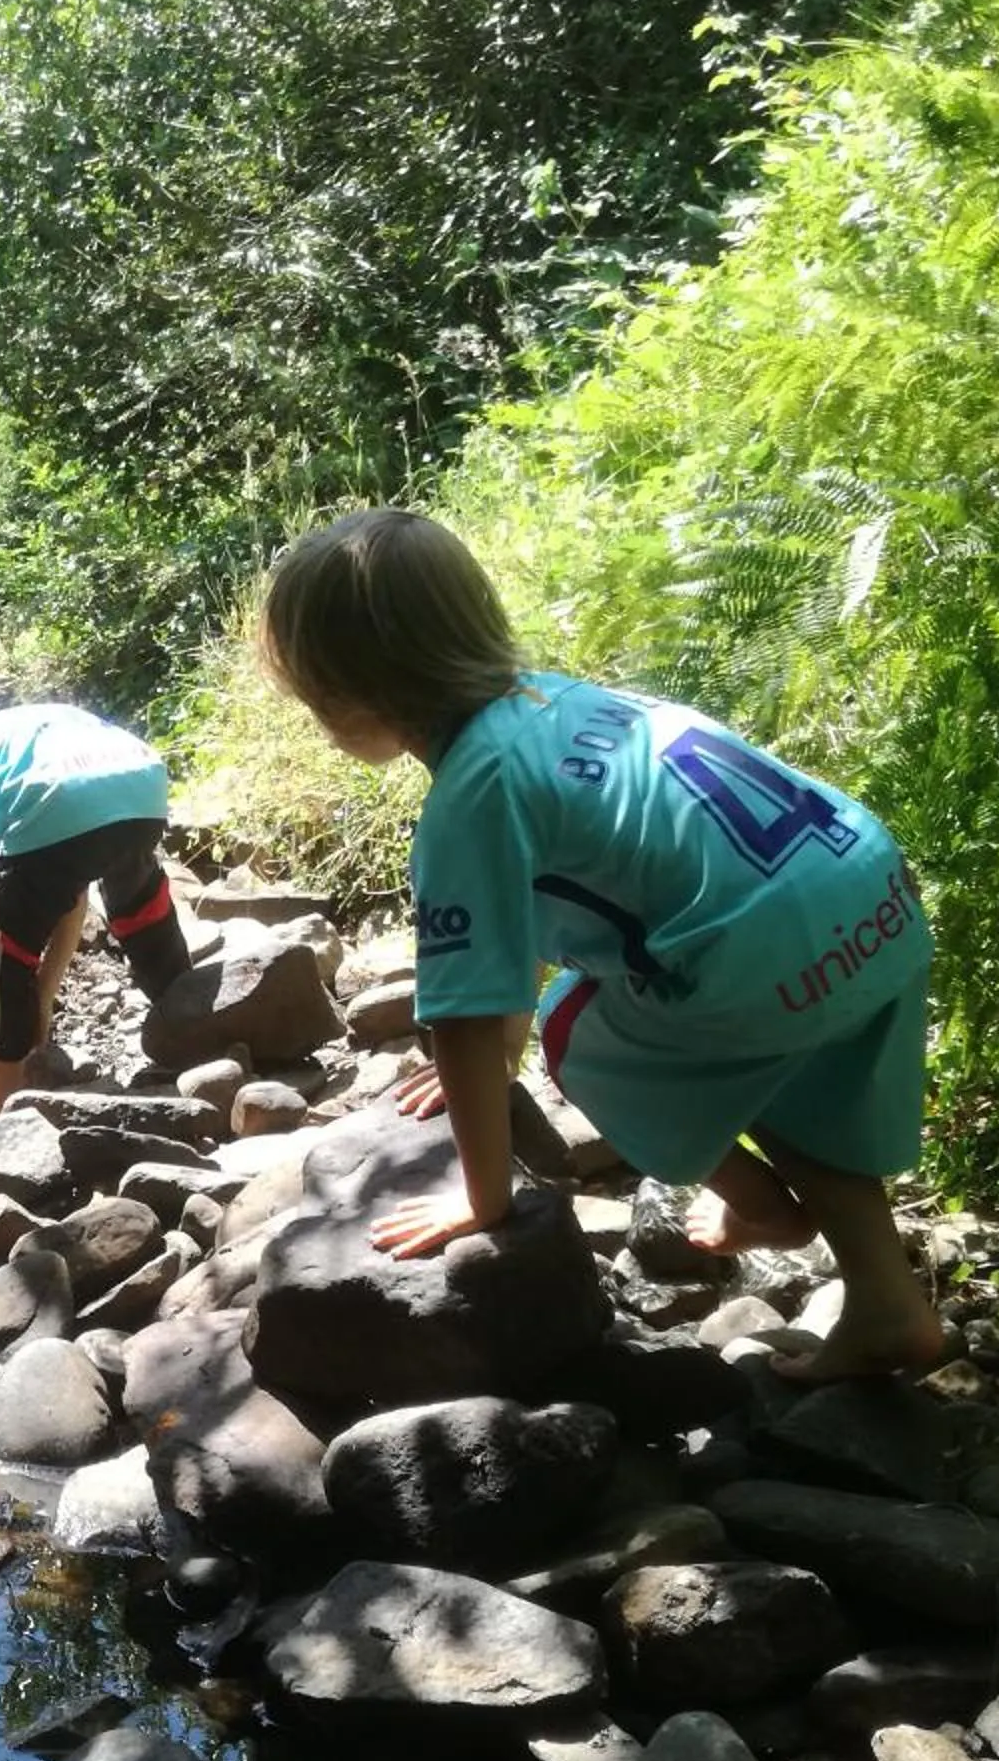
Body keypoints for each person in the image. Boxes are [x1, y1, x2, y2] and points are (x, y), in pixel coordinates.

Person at [258, 507, 943, 1384]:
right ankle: (887, 1302)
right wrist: (486, 1061)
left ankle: (761, 1203)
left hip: (761, 952)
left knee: (574, 1028)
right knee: (786, 1051)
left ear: (353, 697)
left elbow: (472, 1015)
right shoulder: (563, 698)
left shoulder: (473, 792)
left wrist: (483, 1195)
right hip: (868, 888)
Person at [0, 702, 193, 1113]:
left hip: (63, 796)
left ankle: (0, 1121)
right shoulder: (6, 747)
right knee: (140, 911)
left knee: (4, 946)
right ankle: (197, 1036)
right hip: (143, 781)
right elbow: (70, 893)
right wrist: (41, 998)